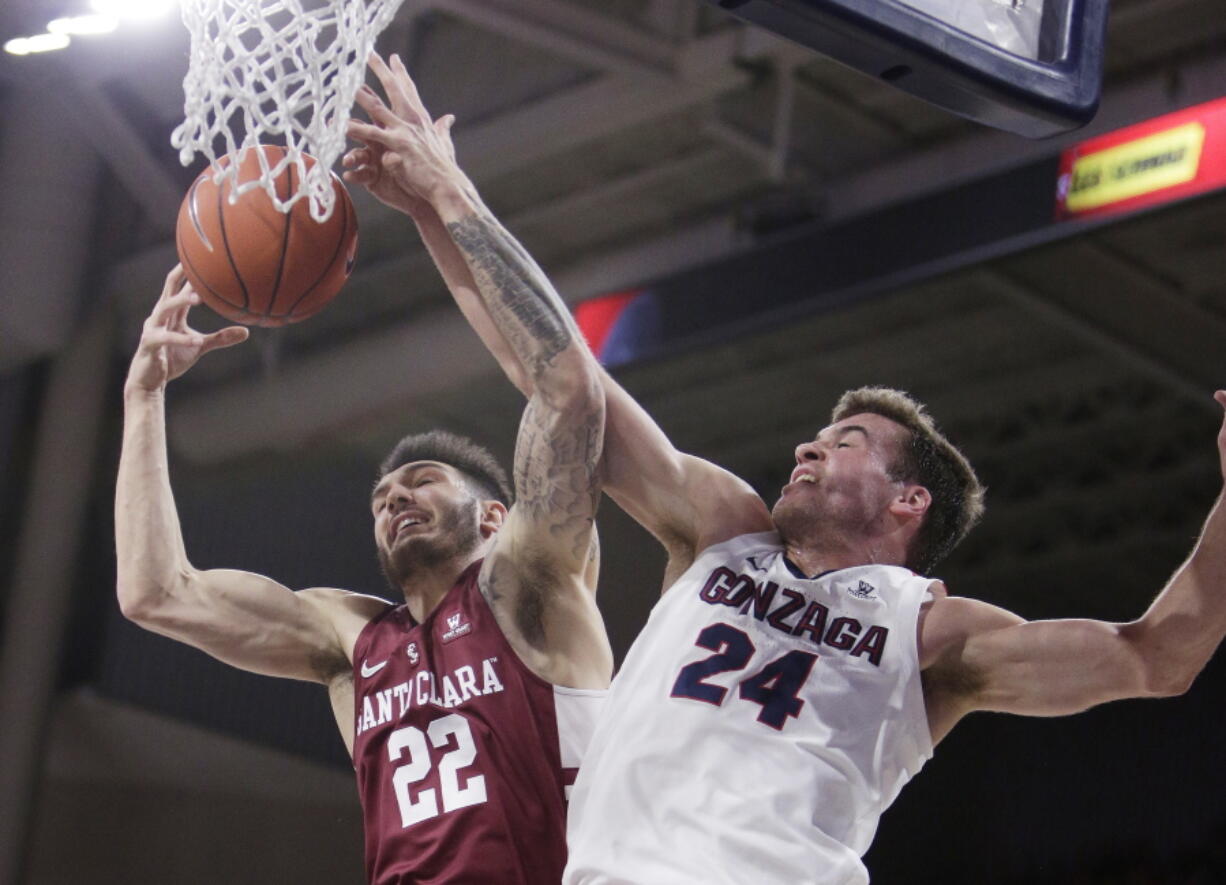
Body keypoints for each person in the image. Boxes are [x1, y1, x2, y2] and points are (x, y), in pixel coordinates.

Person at [344, 51, 1226, 885]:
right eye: (817, 434)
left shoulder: (930, 635)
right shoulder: (723, 529)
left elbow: (1160, 655)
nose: (809, 446)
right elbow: (560, 378)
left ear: (907, 500)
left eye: (847, 443)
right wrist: (434, 200)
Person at [115, 259, 610, 884]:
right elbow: (155, 594)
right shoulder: (352, 639)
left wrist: (442, 200)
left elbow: (570, 399)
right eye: (381, 500)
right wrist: (145, 394)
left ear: (493, 517)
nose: (395, 499)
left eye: (422, 482)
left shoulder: (531, 583)